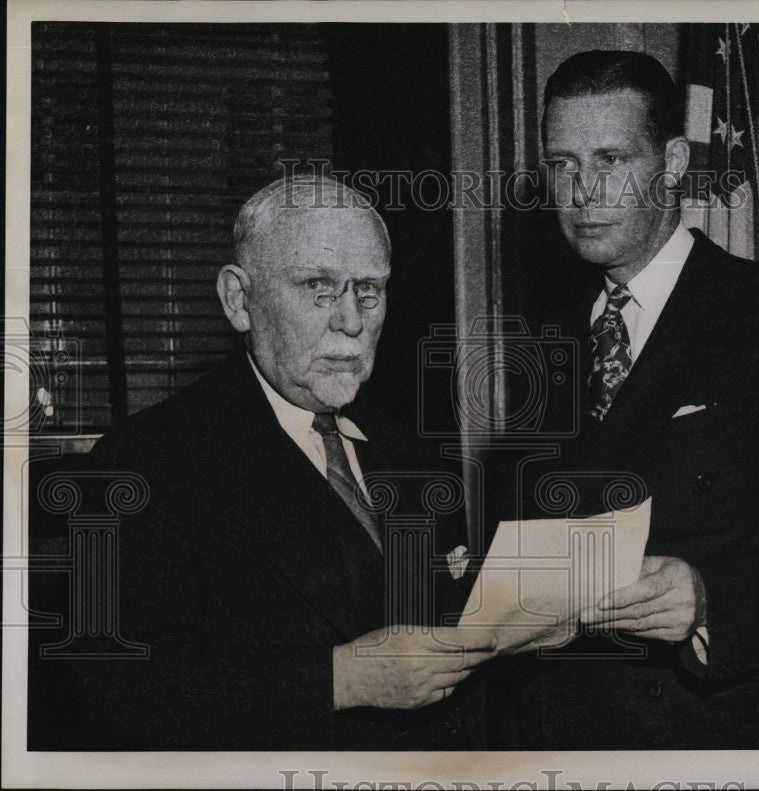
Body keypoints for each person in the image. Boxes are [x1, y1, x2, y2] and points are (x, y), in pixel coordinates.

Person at [507, 50, 759, 749]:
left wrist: (712, 597)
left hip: (721, 730)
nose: (584, 191)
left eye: (611, 159)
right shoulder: (551, 332)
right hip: (570, 732)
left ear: (674, 161)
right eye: (562, 164)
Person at [43, 175, 494, 750]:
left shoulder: (416, 457)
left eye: (369, 290)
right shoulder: (142, 464)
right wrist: (339, 681)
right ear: (239, 301)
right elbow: (118, 697)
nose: (351, 321)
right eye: (318, 287)